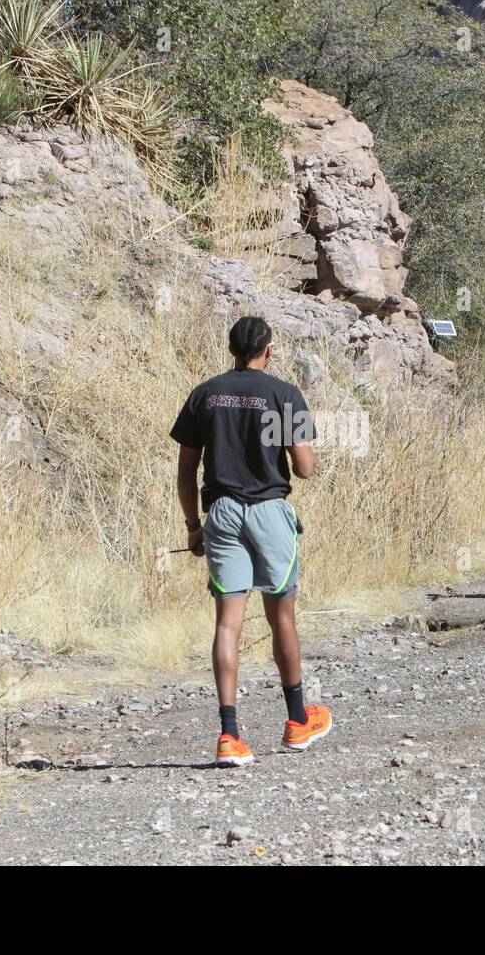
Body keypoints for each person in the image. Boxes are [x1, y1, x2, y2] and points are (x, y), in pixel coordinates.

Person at [170, 315, 333, 767]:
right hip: (269, 513)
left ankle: (229, 736)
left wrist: (193, 526)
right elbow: (304, 468)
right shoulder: (283, 395)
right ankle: (298, 721)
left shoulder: (205, 394)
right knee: (282, 615)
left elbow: (186, 471)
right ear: (270, 350)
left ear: (230, 349)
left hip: (220, 513)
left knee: (227, 623)